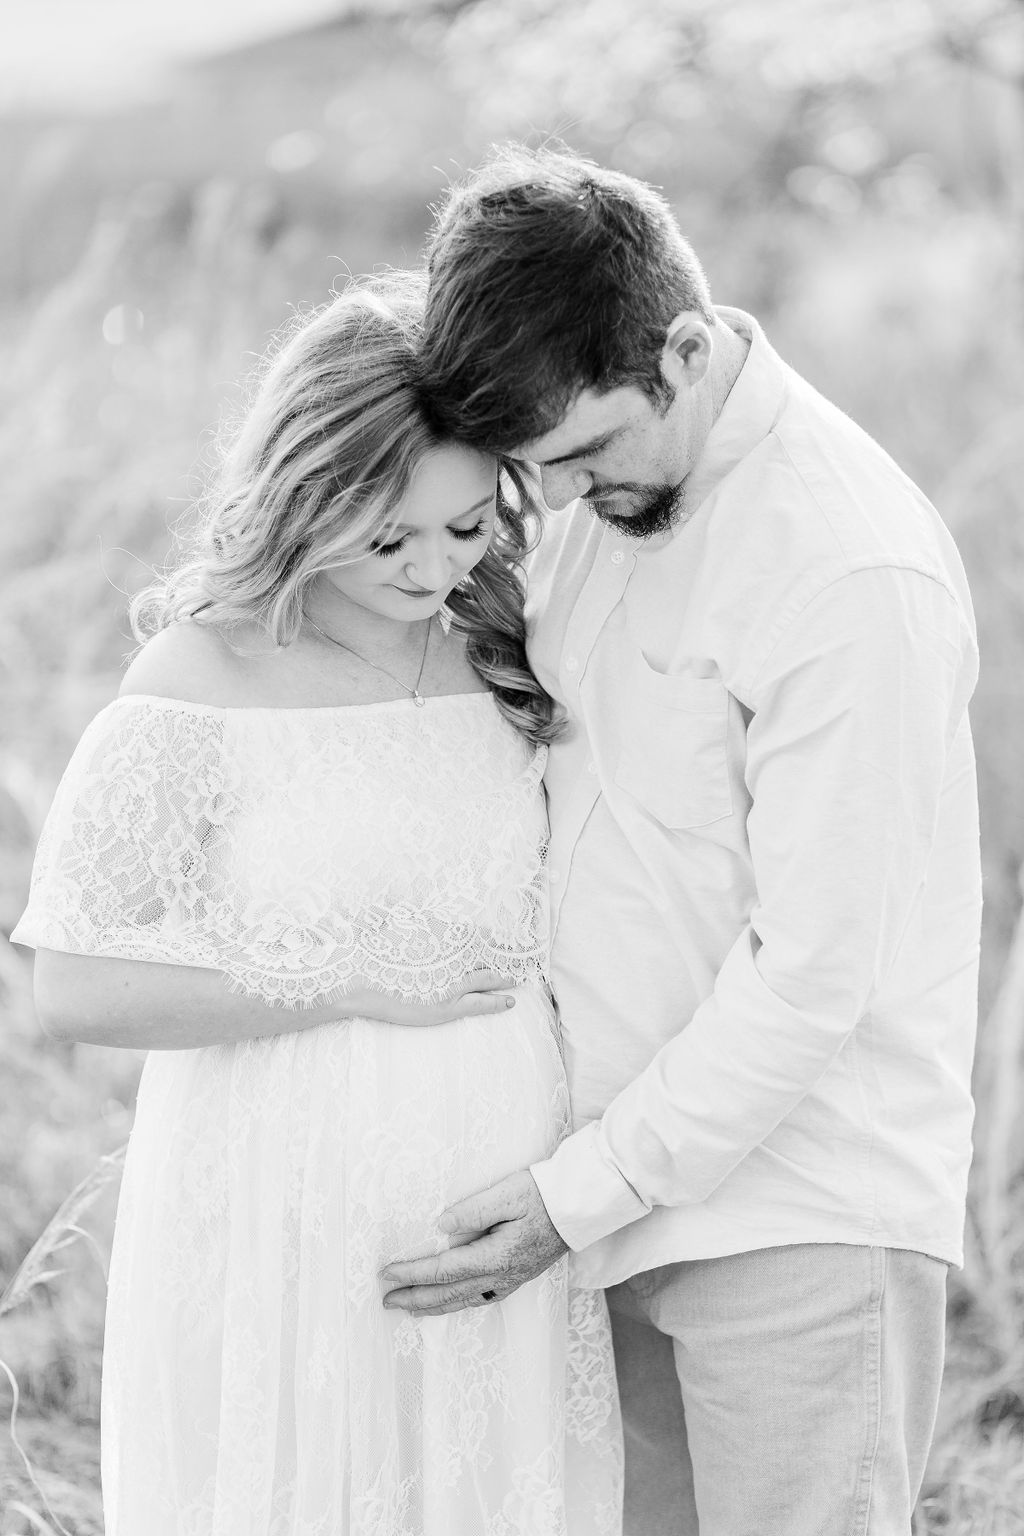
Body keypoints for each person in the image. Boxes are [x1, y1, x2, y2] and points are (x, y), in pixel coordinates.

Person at [380, 146, 983, 1536]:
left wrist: (574, 1194)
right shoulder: (609, 506)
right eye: (546, 469)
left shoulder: (845, 569)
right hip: (612, 1207)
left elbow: (814, 971)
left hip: (797, 1216)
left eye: (591, 448)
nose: (574, 491)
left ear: (689, 347)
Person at [12, 270, 622, 1536]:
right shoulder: (202, 673)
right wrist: (347, 980)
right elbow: (74, 982)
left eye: (464, 527)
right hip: (279, 1187)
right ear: (303, 496)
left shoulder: (510, 636)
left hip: (505, 1174)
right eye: (387, 536)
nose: (432, 567)